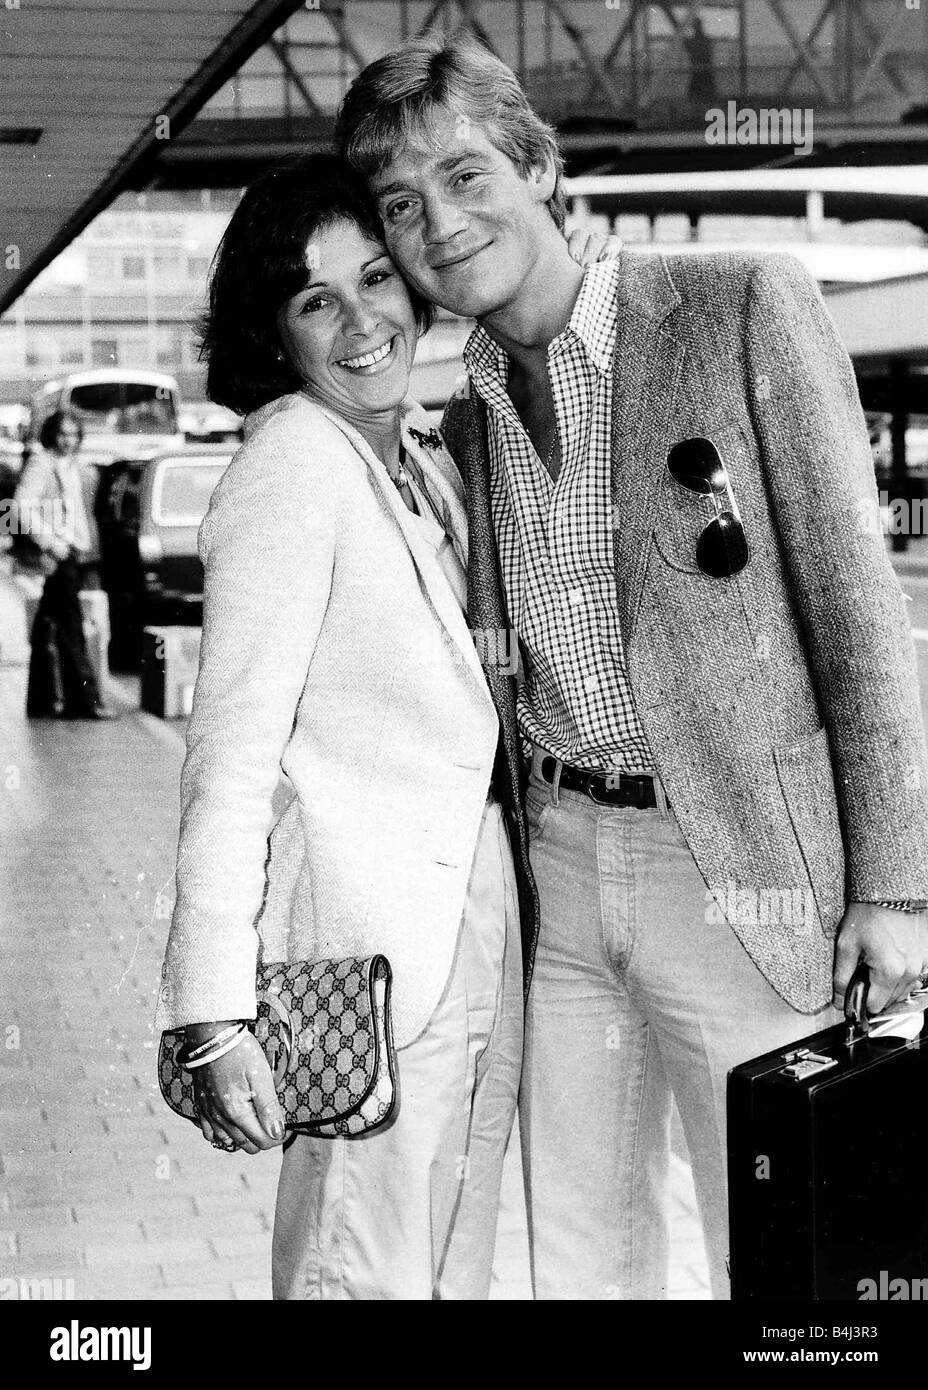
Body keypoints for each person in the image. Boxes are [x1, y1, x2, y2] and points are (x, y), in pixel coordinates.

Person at [335, 37, 928, 1300]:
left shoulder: (741, 303)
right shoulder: (469, 418)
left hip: (743, 880)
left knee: (788, 1262)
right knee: (587, 1264)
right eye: (400, 201)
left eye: (465, 174)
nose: (438, 223)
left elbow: (859, 617)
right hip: (557, 870)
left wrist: (896, 889)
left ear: (542, 168)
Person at [153, 154, 611, 1301]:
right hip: (370, 958)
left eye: (375, 280)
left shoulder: (407, 460)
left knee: (445, 1259)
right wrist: (210, 1012)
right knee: (361, 1270)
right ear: (275, 331)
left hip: (470, 929)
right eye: (317, 300)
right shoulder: (293, 468)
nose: (363, 322)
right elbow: (229, 762)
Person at [15, 409, 115, 719]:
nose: (69, 441)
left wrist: (82, 544)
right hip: (60, 554)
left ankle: (44, 703)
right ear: (51, 435)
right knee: (71, 629)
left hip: (71, 551)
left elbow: (74, 511)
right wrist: (52, 543)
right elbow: (20, 507)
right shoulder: (42, 463)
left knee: (48, 628)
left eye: (74, 434)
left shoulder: (69, 466)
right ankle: (85, 703)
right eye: (63, 434)